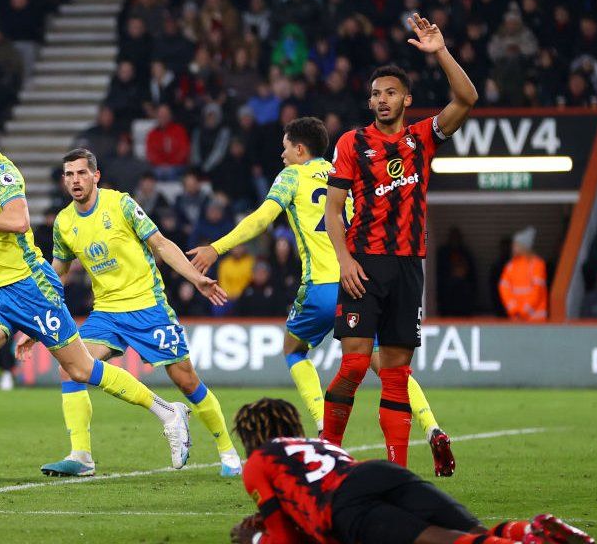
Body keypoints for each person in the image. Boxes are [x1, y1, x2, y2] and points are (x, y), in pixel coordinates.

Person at [0, 98, 192, 485]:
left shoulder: (1, 170)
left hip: (30, 287)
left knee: (80, 368)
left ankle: (166, 411)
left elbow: (19, 220)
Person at [190, 118, 454, 476]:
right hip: (359, 282)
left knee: (293, 349)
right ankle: (432, 426)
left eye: (285, 148)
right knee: (389, 366)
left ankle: (320, 425)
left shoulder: (292, 177)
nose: (281, 155)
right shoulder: (343, 169)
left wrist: (216, 248)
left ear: (301, 150)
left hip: (321, 287)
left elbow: (262, 218)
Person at [16, 148, 239, 477]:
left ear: (96, 176)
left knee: (186, 380)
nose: (75, 180)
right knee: (72, 368)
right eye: (69, 175)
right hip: (106, 311)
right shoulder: (64, 222)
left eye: (81, 173)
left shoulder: (120, 205)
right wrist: (35, 323)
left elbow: (160, 244)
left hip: (148, 306)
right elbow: (57, 272)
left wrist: (195, 279)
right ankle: (81, 455)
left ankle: (228, 452)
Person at [323, 13, 477, 468]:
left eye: (390, 92)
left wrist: (440, 52)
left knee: (395, 375)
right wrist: (344, 259)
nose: (381, 100)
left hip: (409, 265)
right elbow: (333, 210)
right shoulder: (353, 142)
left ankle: (396, 473)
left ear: (407, 98)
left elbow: (467, 98)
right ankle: (329, 457)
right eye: (375, 94)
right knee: (353, 366)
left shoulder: (421, 138)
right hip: (364, 264)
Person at [229, 398, 594, 544]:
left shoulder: (260, 461)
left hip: (343, 505)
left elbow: (286, 539)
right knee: (473, 533)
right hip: (379, 473)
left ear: (250, 437)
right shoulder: (320, 444)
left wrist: (256, 539)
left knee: (437, 540)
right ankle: (528, 530)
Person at [498, 226, 548, 322]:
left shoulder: (537, 264)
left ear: (524, 246)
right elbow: (504, 288)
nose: (513, 247)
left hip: (535, 319)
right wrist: (514, 310)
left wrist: (522, 312)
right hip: (517, 318)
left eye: (516, 244)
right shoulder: (511, 266)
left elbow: (537, 290)